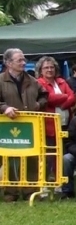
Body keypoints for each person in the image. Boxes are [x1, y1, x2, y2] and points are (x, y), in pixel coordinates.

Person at [0, 48, 48, 202]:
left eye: (24, 59)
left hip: (30, 126)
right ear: (8, 63)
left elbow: (44, 95)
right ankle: (11, 191)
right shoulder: (0, 80)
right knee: (10, 157)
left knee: (32, 157)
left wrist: (38, 105)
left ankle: (31, 190)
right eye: (19, 60)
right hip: (8, 127)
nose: (23, 62)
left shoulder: (32, 80)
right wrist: (4, 108)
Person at [37, 56, 76, 181]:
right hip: (49, 125)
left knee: (61, 153)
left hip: (65, 123)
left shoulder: (61, 81)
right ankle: (45, 181)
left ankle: (60, 179)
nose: (49, 70)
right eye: (46, 67)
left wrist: (63, 103)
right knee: (48, 155)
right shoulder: (39, 83)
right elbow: (48, 98)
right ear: (40, 70)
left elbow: (73, 97)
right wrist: (65, 96)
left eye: (51, 67)